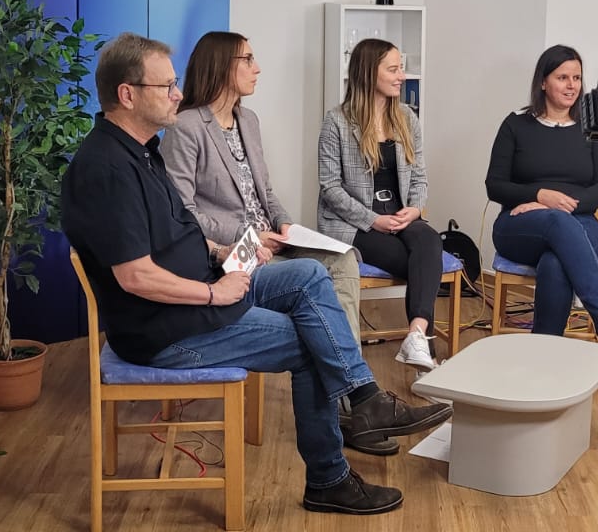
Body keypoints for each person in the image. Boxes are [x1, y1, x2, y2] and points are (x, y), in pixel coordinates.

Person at [61, 32, 451, 516]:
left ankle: (365, 399)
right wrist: (214, 292)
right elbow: (136, 277)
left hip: (204, 285)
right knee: (313, 342)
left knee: (309, 274)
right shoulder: (108, 170)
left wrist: (225, 250)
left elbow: (180, 230)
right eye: (166, 86)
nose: (178, 94)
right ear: (128, 94)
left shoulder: (141, 151)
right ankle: (330, 475)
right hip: (170, 325)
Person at [159, 31, 363, 341]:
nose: (258, 68)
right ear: (222, 66)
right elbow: (182, 213)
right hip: (232, 254)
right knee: (313, 278)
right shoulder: (186, 127)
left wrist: (285, 224)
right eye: (248, 59)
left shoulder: (249, 120)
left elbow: (264, 192)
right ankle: (347, 379)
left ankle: (351, 378)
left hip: (272, 241)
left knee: (344, 259)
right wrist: (249, 237)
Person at [485, 44, 598, 366]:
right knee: (557, 224)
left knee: (556, 261)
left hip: (580, 223)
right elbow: (495, 185)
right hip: (520, 225)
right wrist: (539, 196)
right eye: (562, 77)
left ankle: (543, 357)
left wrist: (563, 205)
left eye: (577, 78)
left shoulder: (593, 129)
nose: (572, 85)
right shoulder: (516, 124)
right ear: (543, 82)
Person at [317, 38, 442, 372]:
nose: (402, 75)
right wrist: (374, 220)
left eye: (401, 67)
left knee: (430, 241)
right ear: (369, 72)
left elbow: (420, 176)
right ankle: (421, 350)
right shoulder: (337, 122)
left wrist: (415, 209)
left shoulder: (406, 117)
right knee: (418, 261)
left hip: (400, 216)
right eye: (393, 68)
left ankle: (416, 336)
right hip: (355, 223)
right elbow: (330, 188)